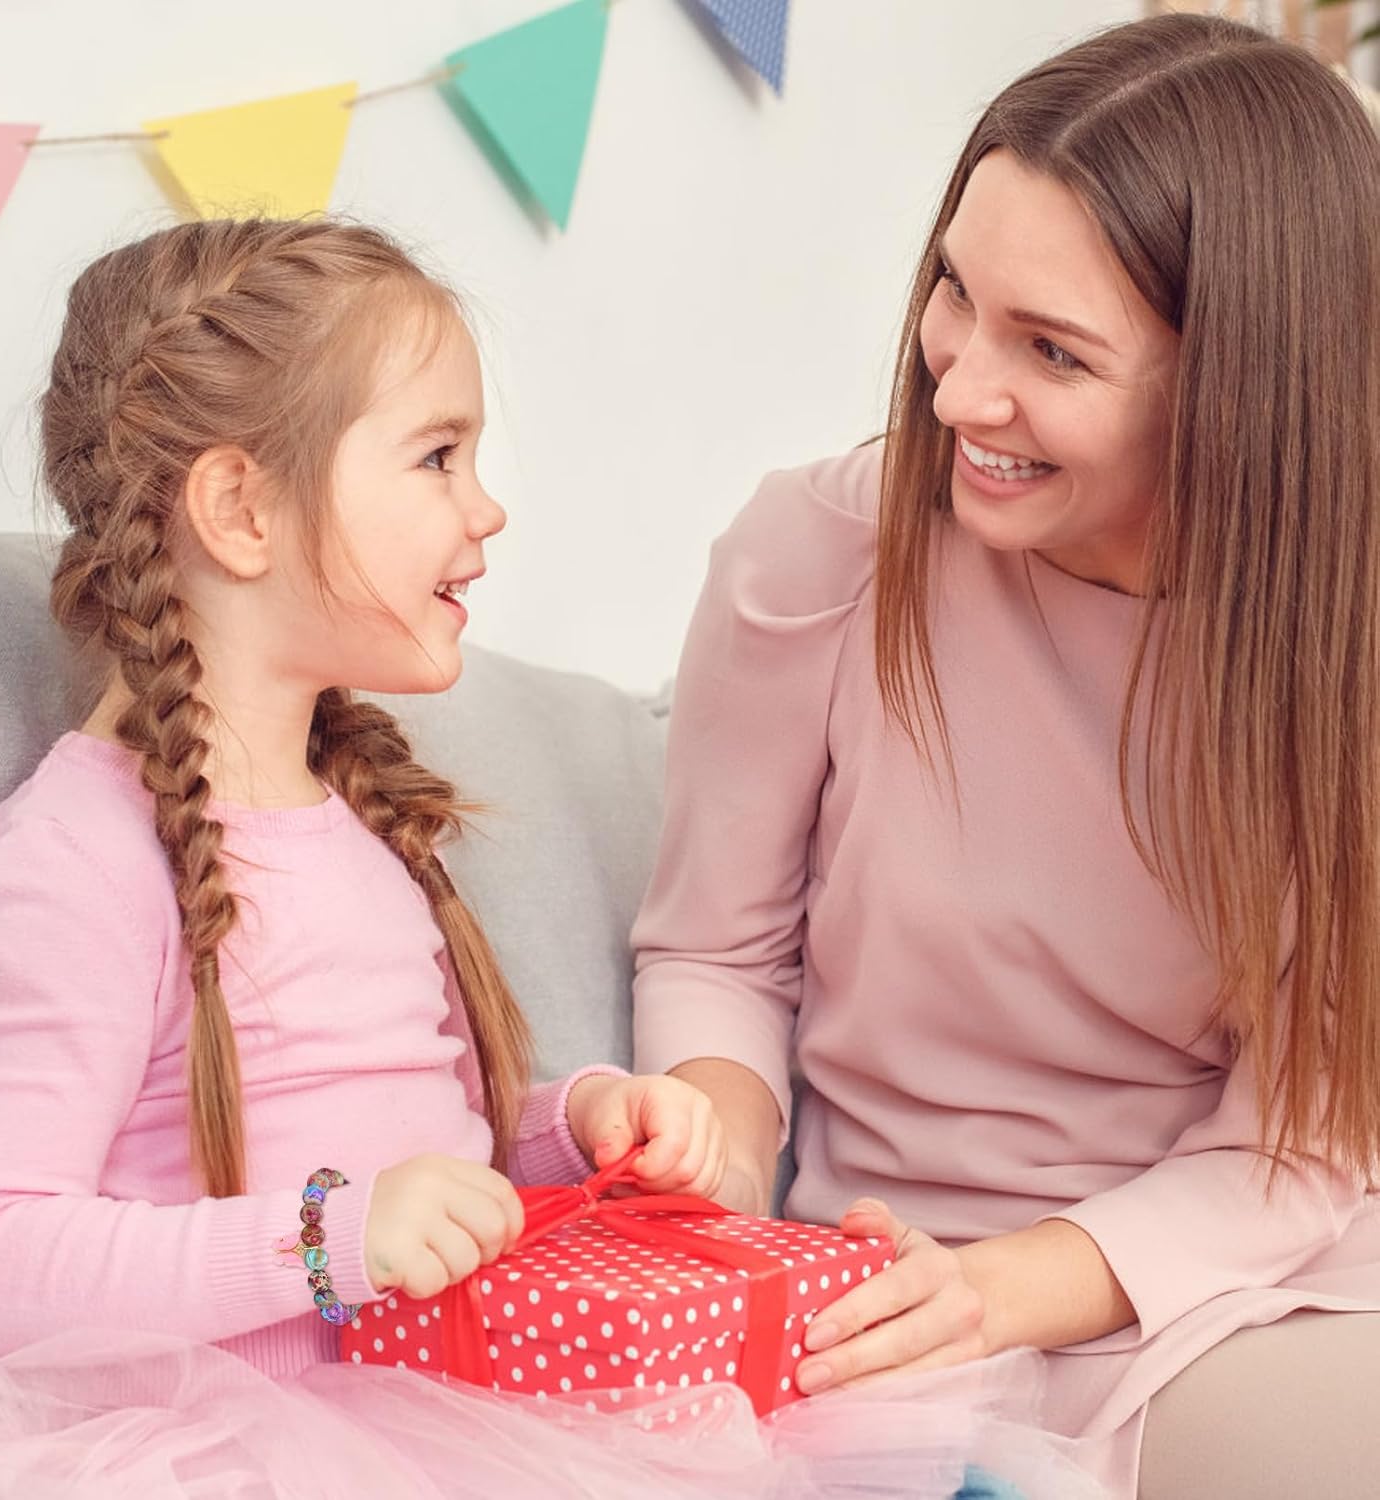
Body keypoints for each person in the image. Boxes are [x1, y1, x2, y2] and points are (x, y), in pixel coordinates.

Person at [0, 218, 1095, 1500]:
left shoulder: (356, 818)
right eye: (436, 456)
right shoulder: (79, 859)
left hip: (463, 1401)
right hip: (260, 1446)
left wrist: (571, 1127)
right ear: (240, 508)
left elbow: (421, 1163)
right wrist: (324, 1243)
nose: (486, 508)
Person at [632, 14, 1380, 1499]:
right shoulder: (824, 551)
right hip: (884, 1296)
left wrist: (1001, 1287)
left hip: (1223, 1292)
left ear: (1239, 397)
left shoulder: (1344, 665)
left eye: (1053, 351)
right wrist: (705, 1151)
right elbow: (717, 950)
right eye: (957, 297)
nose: (960, 387)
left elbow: (1295, 1153)